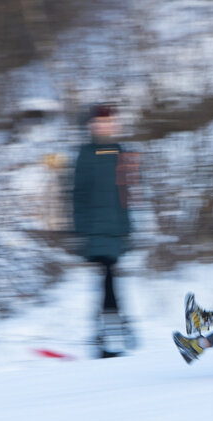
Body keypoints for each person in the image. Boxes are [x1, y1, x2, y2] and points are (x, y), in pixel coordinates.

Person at [72, 103, 135, 358]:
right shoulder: (85, 154)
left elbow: (126, 193)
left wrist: (128, 227)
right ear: (91, 126)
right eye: (99, 123)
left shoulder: (119, 151)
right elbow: (77, 195)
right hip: (95, 231)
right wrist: (80, 231)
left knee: (108, 281)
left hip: (114, 230)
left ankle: (107, 334)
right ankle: (112, 333)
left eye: (108, 123)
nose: (104, 127)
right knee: (108, 279)